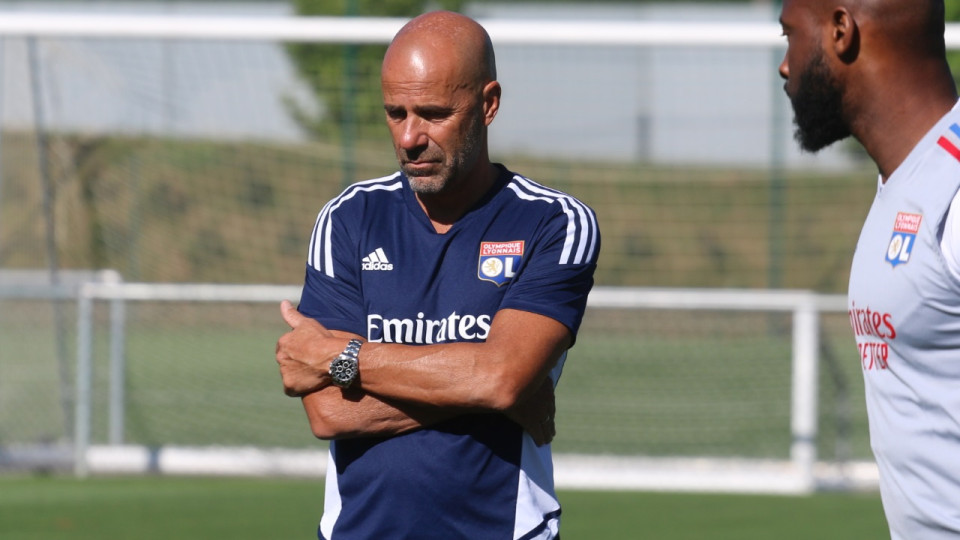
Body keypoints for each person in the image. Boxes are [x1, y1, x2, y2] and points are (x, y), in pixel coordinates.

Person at [274, 10, 600, 540]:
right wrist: (488, 390)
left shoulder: (554, 222)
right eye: (394, 113)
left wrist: (343, 357)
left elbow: (500, 377)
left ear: (488, 104)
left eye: (432, 113)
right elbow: (328, 411)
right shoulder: (348, 219)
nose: (408, 137)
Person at [779, 0, 960, 537]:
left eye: (790, 34)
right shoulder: (905, 181)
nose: (786, 64)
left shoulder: (952, 192)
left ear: (841, 30)